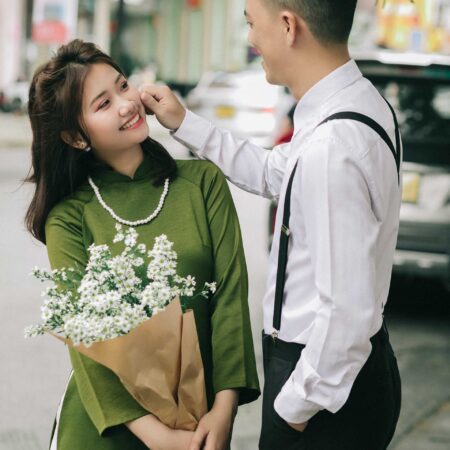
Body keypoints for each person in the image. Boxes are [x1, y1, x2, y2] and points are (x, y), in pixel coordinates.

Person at [139, 0, 402, 449]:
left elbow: (347, 314)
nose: (250, 39)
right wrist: (184, 123)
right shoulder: (353, 104)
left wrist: (293, 409)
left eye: (250, 23)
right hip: (346, 376)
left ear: (287, 26)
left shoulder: (332, 146)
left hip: (321, 394)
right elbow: (272, 173)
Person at [25, 39, 260, 450]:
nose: (125, 104)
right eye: (102, 104)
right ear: (75, 137)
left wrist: (224, 408)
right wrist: (159, 437)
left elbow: (229, 302)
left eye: (122, 85)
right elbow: (86, 342)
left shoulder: (202, 184)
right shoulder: (68, 217)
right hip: (106, 429)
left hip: (197, 422)